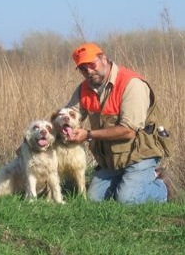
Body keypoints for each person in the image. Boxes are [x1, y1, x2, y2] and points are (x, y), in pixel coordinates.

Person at [65, 42, 173, 204]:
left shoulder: (132, 84)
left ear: (103, 58)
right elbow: (67, 116)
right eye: (82, 69)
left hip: (140, 156)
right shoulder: (84, 89)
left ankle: (162, 187)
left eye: (91, 65)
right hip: (112, 159)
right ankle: (128, 183)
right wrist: (41, 135)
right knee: (94, 199)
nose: (88, 71)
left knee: (128, 199)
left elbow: (128, 130)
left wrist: (87, 135)